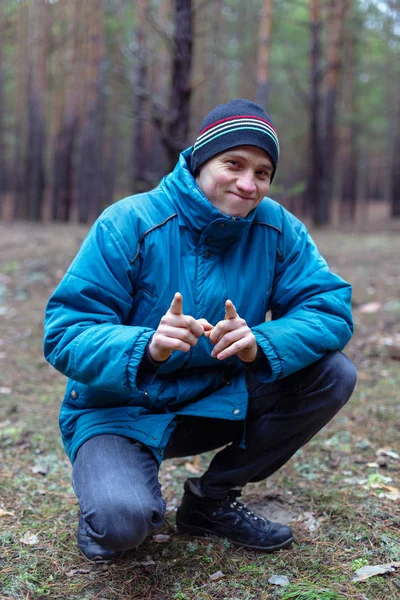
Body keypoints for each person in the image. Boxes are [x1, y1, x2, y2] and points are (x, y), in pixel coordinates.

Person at [44, 99, 357, 563]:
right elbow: (65, 332)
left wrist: (262, 344)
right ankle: (110, 507)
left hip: (219, 400)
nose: (248, 184)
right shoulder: (129, 222)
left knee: (334, 373)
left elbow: (328, 308)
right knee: (122, 525)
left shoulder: (278, 229)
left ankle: (211, 501)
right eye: (233, 164)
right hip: (121, 409)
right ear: (199, 159)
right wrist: (144, 345)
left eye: (263, 173)